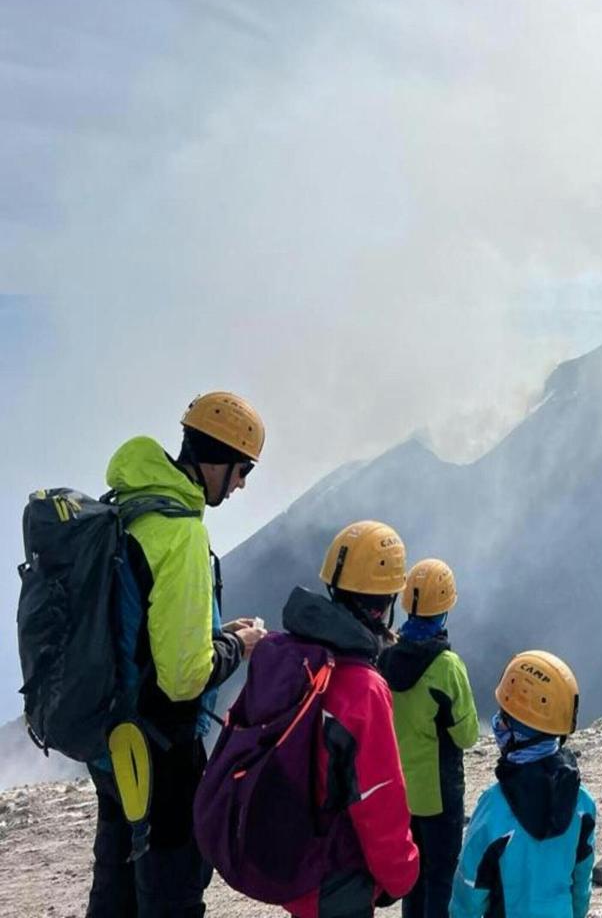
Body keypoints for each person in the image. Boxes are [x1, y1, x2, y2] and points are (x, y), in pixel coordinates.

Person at [88, 391, 268, 918]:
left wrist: (217, 632)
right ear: (220, 458)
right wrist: (240, 644)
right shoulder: (182, 535)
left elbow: (143, 628)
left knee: (114, 889)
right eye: (243, 470)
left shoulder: (128, 507)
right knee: (171, 894)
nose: (240, 485)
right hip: (162, 752)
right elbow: (184, 678)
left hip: (112, 743)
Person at [281, 520, 421, 917]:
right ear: (383, 606)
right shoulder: (364, 689)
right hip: (337, 879)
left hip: (295, 862)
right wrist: (401, 875)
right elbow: (379, 800)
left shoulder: (293, 654)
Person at [449, 651, 596, 918]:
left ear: (515, 732)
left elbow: (469, 893)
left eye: (504, 717)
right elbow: (581, 884)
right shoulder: (583, 804)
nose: (497, 723)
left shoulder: (493, 809)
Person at [379, 559, 479, 918]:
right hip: (439, 793)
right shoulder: (447, 667)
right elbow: (467, 735)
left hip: (400, 791)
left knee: (413, 876)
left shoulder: (385, 655)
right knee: (440, 879)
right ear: (446, 609)